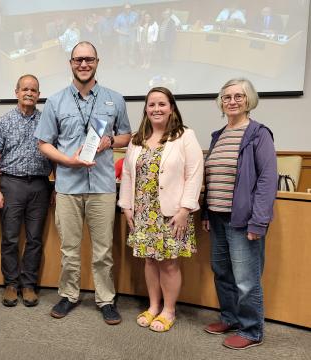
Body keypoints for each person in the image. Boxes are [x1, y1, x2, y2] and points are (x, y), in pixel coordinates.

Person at [34, 41, 132, 325]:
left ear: (97, 62)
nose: (84, 64)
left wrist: (111, 141)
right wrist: (68, 161)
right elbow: (44, 143)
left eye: (89, 59)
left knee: (103, 249)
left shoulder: (115, 99)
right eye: (78, 60)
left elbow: (126, 135)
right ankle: (68, 295)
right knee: (69, 248)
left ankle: (105, 299)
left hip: (102, 186)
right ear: (71, 63)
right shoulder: (56, 101)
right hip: (68, 186)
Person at [118, 87, 203, 332]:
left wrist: (185, 209)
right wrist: (126, 207)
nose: (156, 109)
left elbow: (195, 173)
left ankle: (169, 310)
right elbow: (127, 175)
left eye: (162, 104)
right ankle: (154, 306)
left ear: (172, 107)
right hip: (143, 212)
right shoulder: (137, 139)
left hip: (172, 213)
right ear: (146, 109)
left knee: (168, 263)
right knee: (149, 261)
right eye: (151, 104)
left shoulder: (184, 135)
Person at [202, 78, 277, 350]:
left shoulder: (259, 134)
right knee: (222, 272)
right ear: (221, 102)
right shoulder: (218, 135)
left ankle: (251, 330)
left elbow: (268, 181)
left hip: (243, 220)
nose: (232, 101)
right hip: (218, 217)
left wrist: (259, 221)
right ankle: (230, 318)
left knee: (246, 279)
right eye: (226, 97)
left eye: (238, 96)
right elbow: (212, 178)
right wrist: (207, 215)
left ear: (249, 100)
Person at [0, 74, 53, 307]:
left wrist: (55, 186)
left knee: (35, 239)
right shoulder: (2, 122)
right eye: (25, 89)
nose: (29, 93)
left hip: (39, 185)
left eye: (34, 90)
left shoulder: (47, 121)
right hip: (11, 184)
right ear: (16, 92)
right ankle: (11, 284)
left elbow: (54, 153)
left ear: (38, 94)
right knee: (11, 238)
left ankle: (28, 285)